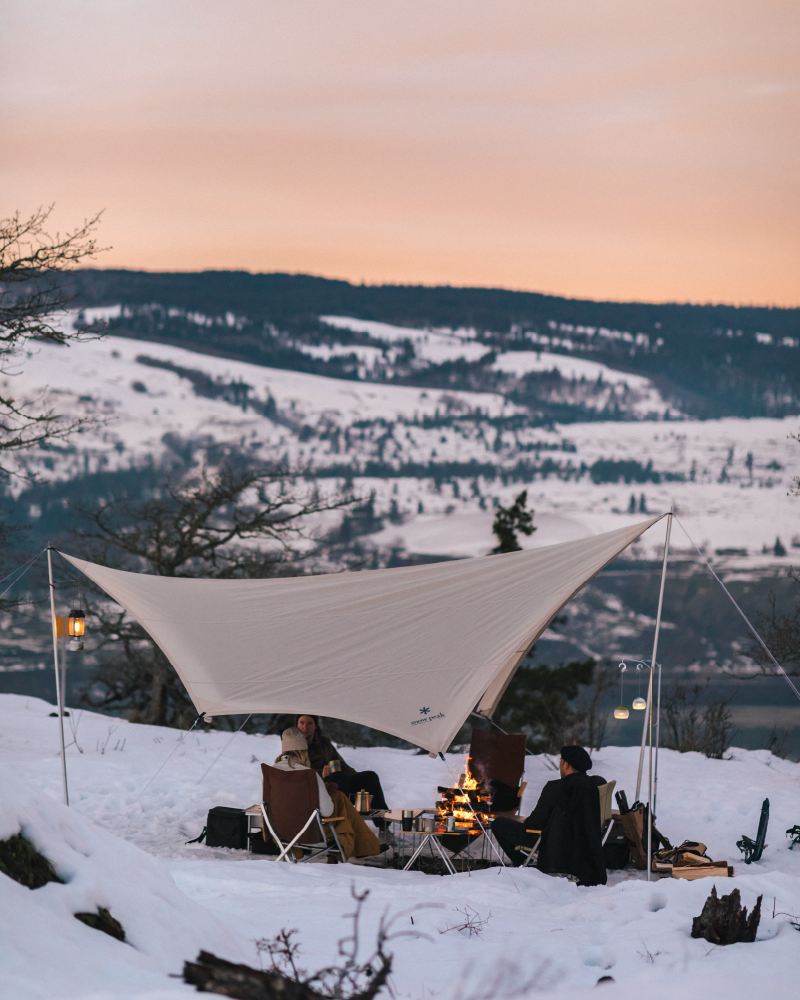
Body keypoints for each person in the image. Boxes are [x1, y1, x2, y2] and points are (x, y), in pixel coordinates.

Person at [490, 745, 608, 886]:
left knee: (499, 824)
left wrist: (527, 821)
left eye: (560, 762)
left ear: (566, 765)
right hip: (586, 850)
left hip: (556, 847)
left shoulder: (555, 788)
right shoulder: (597, 785)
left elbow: (535, 823)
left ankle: (522, 865)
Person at [271, 728, 389, 864]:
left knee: (338, 797)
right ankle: (363, 847)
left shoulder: (272, 774)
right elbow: (327, 811)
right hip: (307, 831)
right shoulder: (309, 775)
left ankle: (363, 847)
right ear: (304, 751)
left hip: (281, 829)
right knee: (340, 807)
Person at [295, 715, 389, 812]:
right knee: (339, 778)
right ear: (297, 724)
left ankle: (382, 821)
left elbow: (340, 764)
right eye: (301, 723)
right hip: (317, 788)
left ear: (315, 726)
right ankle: (344, 816)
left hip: (338, 783)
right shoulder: (294, 746)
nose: (305, 727)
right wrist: (321, 774)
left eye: (309, 723)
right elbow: (298, 773)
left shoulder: (324, 742)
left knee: (370, 776)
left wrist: (356, 777)